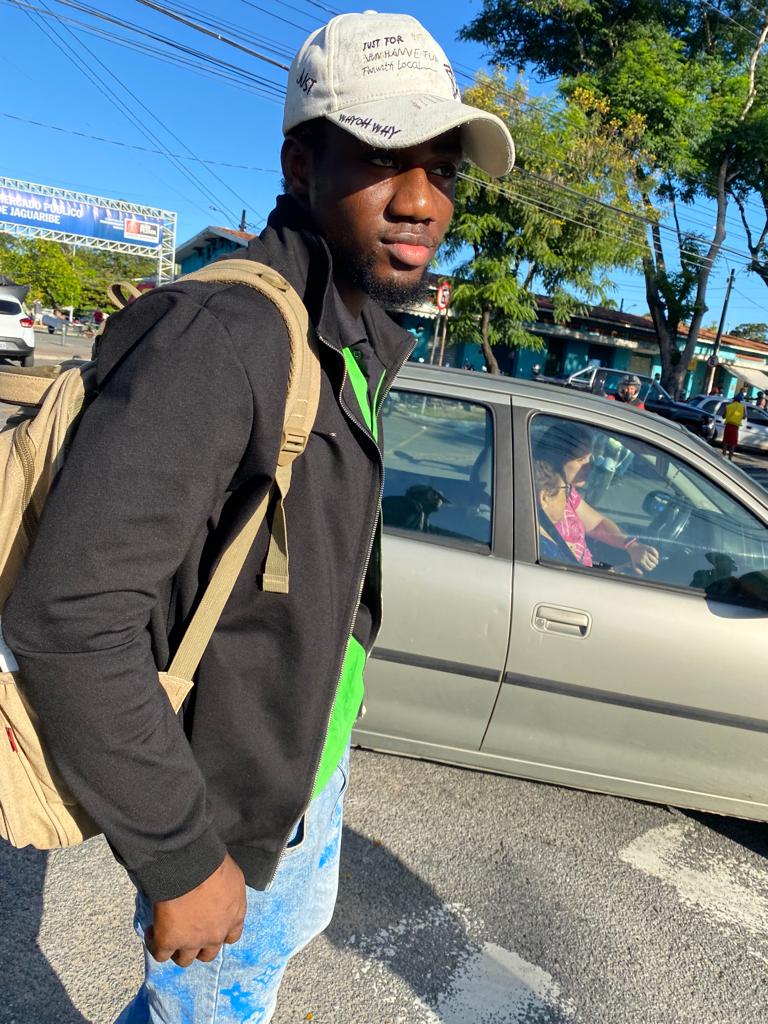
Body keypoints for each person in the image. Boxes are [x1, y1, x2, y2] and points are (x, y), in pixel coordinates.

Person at [2, 12, 515, 1024]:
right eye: (383, 157)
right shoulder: (225, 337)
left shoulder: (350, 334)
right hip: (220, 814)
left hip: (298, 770)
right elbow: (70, 619)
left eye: (443, 169)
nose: (422, 199)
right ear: (299, 163)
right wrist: (183, 856)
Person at [534, 423, 660, 573]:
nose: (589, 465)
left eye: (590, 458)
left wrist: (631, 546)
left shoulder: (565, 490)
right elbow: (569, 576)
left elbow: (597, 524)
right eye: (581, 459)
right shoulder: (543, 538)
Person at [723, 393, 747, 459]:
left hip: (728, 426)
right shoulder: (743, 407)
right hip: (735, 427)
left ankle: (723, 455)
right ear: (740, 401)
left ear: (734, 400)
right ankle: (730, 458)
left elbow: (723, 416)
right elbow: (744, 417)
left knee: (725, 441)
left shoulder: (728, 406)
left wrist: (730, 414)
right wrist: (738, 415)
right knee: (733, 443)